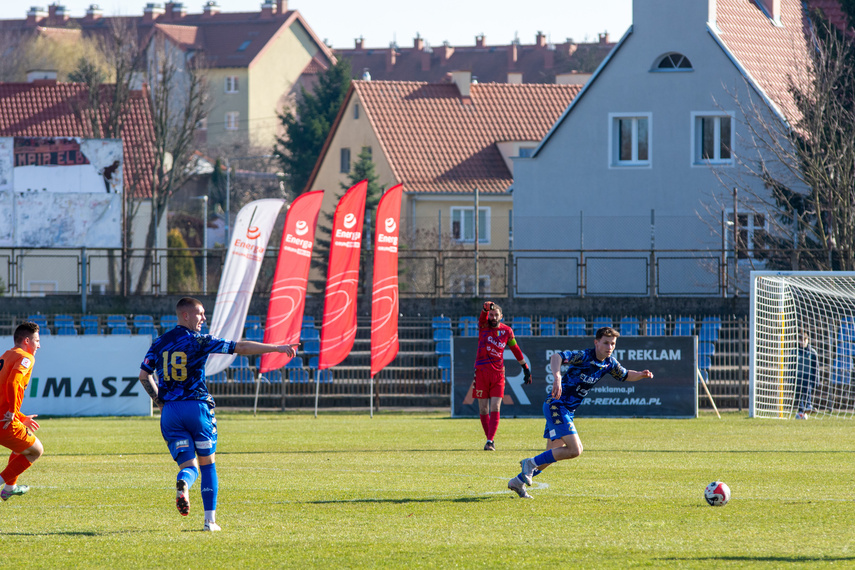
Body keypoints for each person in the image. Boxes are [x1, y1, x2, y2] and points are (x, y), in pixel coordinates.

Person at [139, 297, 297, 531]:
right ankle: (209, 521)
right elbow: (240, 348)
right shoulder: (200, 341)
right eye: (200, 313)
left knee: (189, 467)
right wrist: (277, 348)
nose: (204, 318)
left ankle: (184, 483)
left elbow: (144, 375)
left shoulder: (160, 342)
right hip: (197, 408)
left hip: (171, 412)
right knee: (208, 465)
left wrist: (159, 401)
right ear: (185, 315)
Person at [508, 326, 653, 498]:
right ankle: (529, 463)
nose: (609, 347)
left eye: (612, 344)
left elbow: (626, 374)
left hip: (567, 410)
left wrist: (641, 374)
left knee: (549, 457)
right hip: (557, 405)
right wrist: (557, 377)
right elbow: (557, 357)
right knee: (575, 450)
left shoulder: (609, 363)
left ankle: (517, 482)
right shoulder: (584, 356)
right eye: (606, 343)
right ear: (596, 343)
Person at [473, 301, 531, 451]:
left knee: (495, 406)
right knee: (483, 409)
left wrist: (525, 367)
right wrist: (485, 308)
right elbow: (482, 316)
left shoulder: (507, 331)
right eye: (491, 315)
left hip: (498, 374)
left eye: (496, 315)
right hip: (481, 373)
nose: (493, 317)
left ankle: (490, 440)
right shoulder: (483, 326)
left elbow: (515, 349)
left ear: (501, 316)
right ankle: (489, 439)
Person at [0, 322, 43, 502]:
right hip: (4, 420)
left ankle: (10, 487)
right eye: (37, 340)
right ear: (27, 341)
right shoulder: (26, 357)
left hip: (6, 416)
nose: (39, 345)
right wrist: (12, 412)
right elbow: (13, 383)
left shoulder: (7, 354)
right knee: (35, 451)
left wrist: (19, 415)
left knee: (22, 448)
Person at [793, 332, 817, 420]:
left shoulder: (812, 352)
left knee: (807, 392)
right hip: (798, 376)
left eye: (804, 340)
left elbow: (815, 367)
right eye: (801, 340)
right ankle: (800, 411)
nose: (802, 342)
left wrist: (816, 380)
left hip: (808, 377)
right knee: (798, 394)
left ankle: (808, 407)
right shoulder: (795, 352)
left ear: (807, 340)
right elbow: (791, 366)